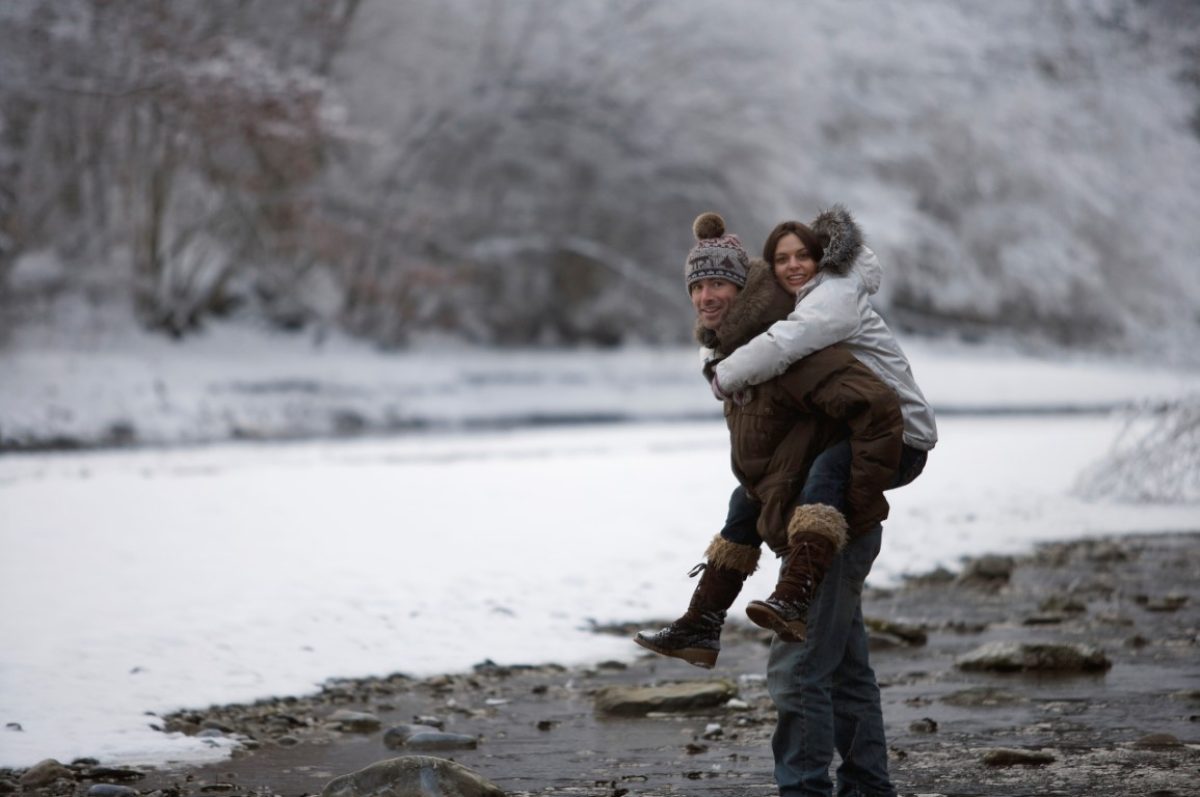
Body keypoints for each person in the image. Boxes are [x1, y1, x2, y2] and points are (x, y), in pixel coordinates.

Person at [635, 212, 904, 666]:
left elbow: (876, 411)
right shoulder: (738, 353)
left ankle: (738, 614)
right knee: (846, 667)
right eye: (697, 287)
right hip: (797, 506)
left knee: (801, 676)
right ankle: (702, 623)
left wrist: (853, 499)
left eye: (718, 285)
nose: (705, 296)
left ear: (744, 289)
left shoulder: (786, 345)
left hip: (828, 519)